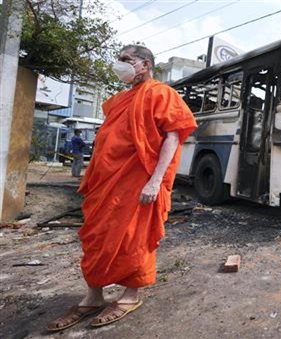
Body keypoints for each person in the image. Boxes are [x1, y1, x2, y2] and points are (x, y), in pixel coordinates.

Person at [47, 45, 197, 331]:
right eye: (120, 60)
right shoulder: (118, 101)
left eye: (127, 60)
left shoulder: (161, 93)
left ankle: (130, 296)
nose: (121, 65)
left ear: (146, 64)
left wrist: (155, 180)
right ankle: (93, 296)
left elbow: (173, 138)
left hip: (137, 181)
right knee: (95, 236)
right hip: (105, 183)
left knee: (132, 239)